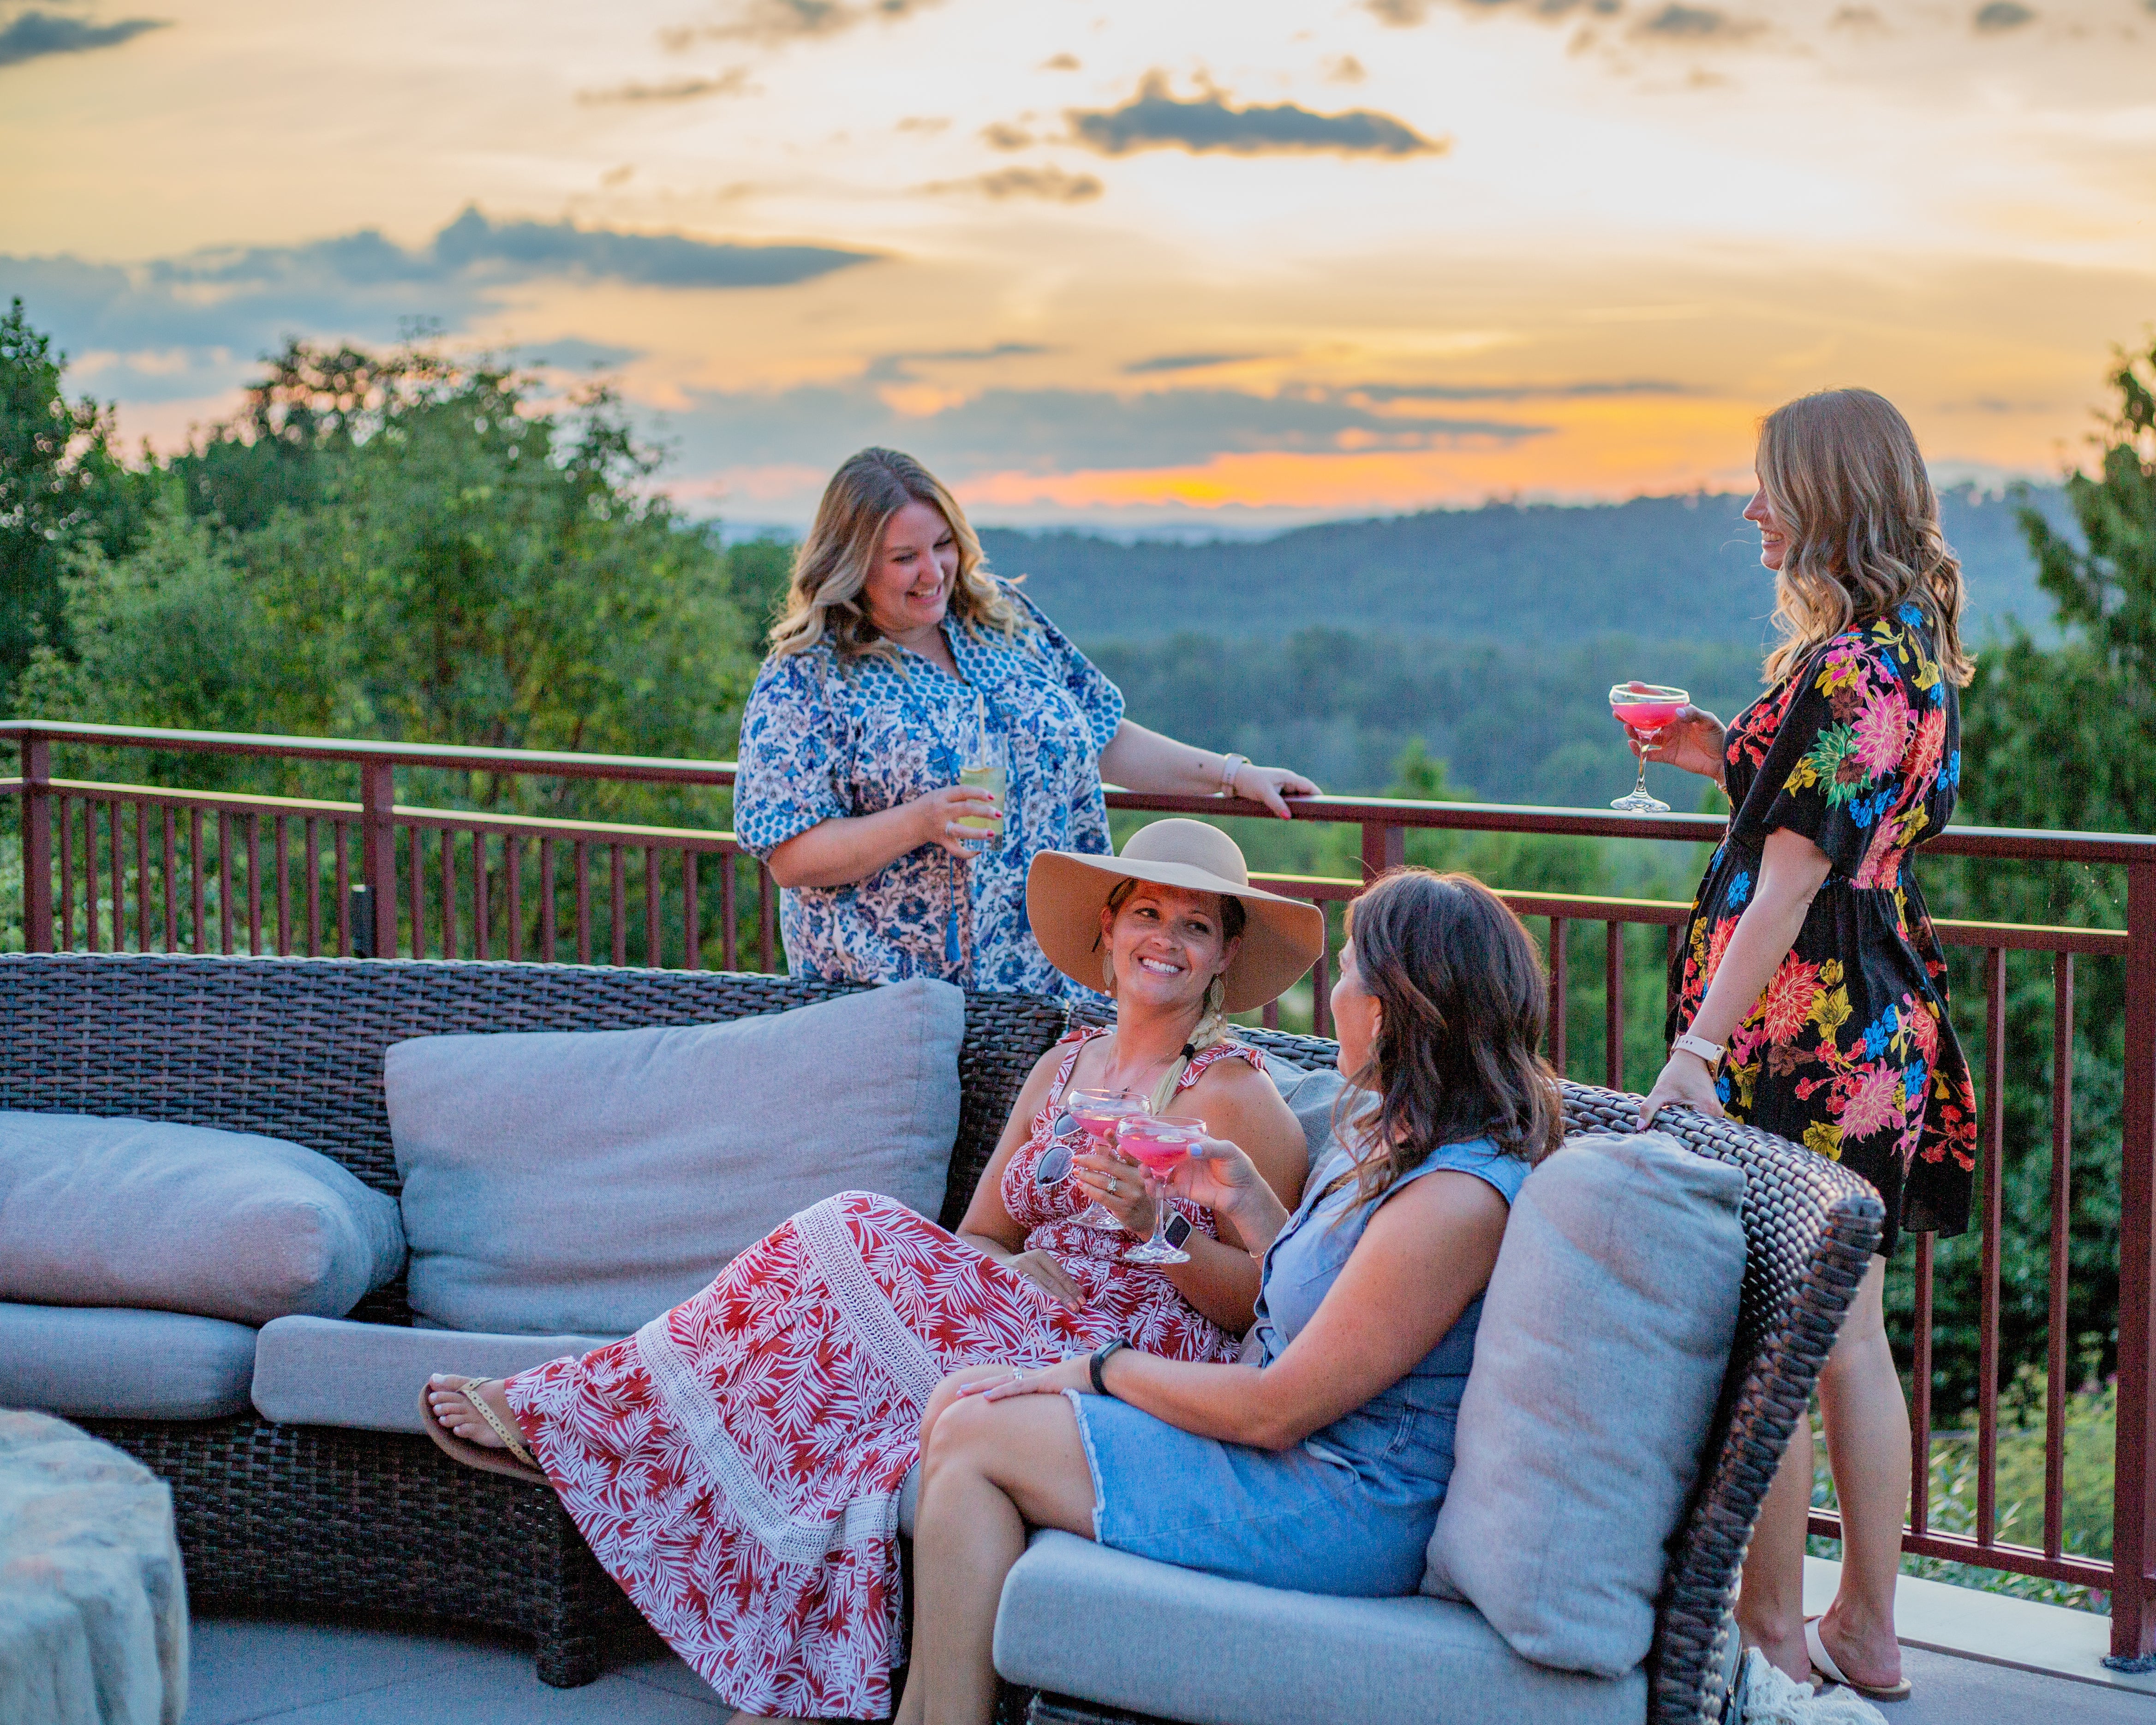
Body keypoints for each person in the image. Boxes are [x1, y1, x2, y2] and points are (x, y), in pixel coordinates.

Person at [422, 818, 1323, 1723]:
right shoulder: (1061, 1066)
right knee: (842, 1368)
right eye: (1148, 913)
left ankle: (593, 1412)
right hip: (1019, 1312)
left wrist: (1153, 1233)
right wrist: (1000, 1281)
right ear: (1109, 927)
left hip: (1131, 1354)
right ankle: (796, 1663)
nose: (1164, 940)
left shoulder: (1235, 1093)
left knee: (846, 1227)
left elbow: (1272, 1301)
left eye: (1195, 926)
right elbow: (981, 1234)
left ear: (1223, 954)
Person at [893, 867, 1563, 1725]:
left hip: (1335, 1499)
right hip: (1290, 1459)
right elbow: (1305, 1300)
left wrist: (1097, 1369)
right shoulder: (1395, 1139)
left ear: (1393, 1007)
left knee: (979, 1428)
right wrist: (1239, 1200)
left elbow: (1275, 1408)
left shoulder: (1453, 1200)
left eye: (1352, 971)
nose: (1335, 996)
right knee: (963, 1400)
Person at [1636, 386, 1978, 1704]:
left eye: (1768, 486)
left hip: (1795, 1026)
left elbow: (1783, 889)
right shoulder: (1911, 656)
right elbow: (1842, 830)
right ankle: (1867, 1631)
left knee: (1771, 1320)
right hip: (1881, 1019)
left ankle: (1771, 1635)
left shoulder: (1838, 670)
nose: (1750, 509)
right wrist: (1721, 755)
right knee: (1847, 1334)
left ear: (1823, 499)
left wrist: (1693, 1051)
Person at [734, 447, 1317, 1000]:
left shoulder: (1001, 619)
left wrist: (1233, 773)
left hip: (1049, 983)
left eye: (942, 545)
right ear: (852, 565)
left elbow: (1100, 735)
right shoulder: (808, 675)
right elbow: (789, 853)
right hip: (891, 998)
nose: (933, 571)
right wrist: (920, 821)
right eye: (904, 558)